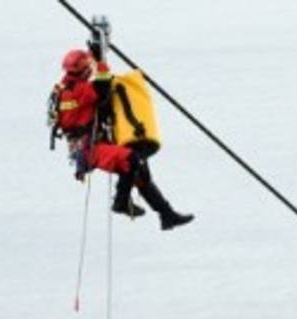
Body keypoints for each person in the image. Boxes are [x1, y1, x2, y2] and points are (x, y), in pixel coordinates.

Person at [52, 42, 193, 230]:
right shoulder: (81, 90)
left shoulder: (65, 89)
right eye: (88, 68)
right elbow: (103, 85)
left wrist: (95, 58)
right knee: (131, 159)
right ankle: (121, 202)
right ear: (83, 70)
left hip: (88, 145)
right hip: (90, 148)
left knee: (140, 174)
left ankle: (167, 216)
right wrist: (100, 61)